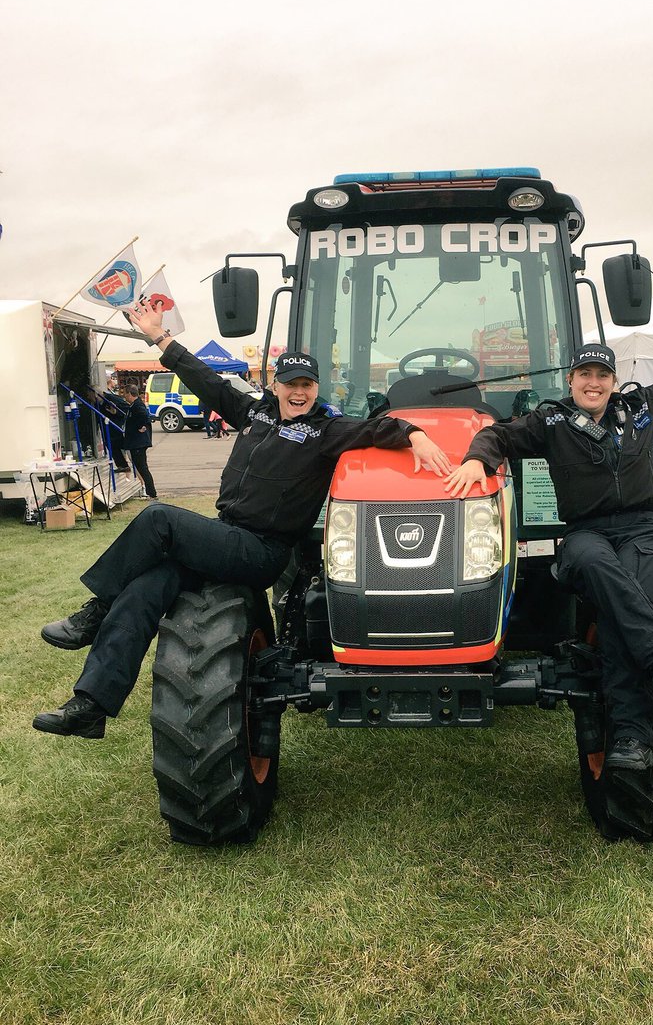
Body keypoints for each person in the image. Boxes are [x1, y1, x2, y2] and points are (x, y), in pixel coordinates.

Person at [32, 299, 451, 740]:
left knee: (159, 519)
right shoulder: (255, 413)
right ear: (276, 384)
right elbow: (205, 381)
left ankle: (95, 611)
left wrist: (414, 434)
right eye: (291, 383)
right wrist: (159, 336)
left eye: (307, 384)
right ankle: (91, 704)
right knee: (143, 590)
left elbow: (375, 428)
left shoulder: (326, 430)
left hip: (262, 550)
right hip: (226, 535)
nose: (299, 392)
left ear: (316, 387)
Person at [445, 318, 653, 772]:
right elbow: (499, 434)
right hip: (585, 534)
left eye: (602, 376)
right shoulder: (551, 420)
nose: (593, 383)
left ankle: (628, 740)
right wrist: (479, 459)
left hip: (643, 530)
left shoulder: (642, 407)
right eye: (584, 375)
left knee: (621, 615)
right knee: (607, 578)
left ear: (613, 383)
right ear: (570, 380)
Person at [122, 382, 157, 499]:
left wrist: (142, 426)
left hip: (138, 443)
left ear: (130, 394)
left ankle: (151, 492)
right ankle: (150, 491)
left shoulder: (138, 406)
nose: (124, 397)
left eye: (125, 394)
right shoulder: (132, 406)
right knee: (140, 467)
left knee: (142, 468)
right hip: (135, 442)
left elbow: (145, 417)